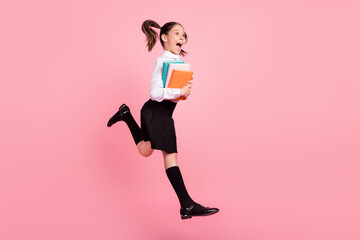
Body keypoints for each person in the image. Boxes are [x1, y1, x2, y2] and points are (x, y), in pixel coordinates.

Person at [107, 19, 219, 219]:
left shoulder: (178, 63)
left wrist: (183, 93)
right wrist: (178, 90)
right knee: (170, 157)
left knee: (145, 151)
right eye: (177, 33)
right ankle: (187, 205)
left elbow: (171, 95)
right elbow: (155, 93)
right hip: (156, 112)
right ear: (164, 38)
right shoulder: (163, 61)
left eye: (184, 35)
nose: (182, 37)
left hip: (161, 113)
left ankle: (125, 114)